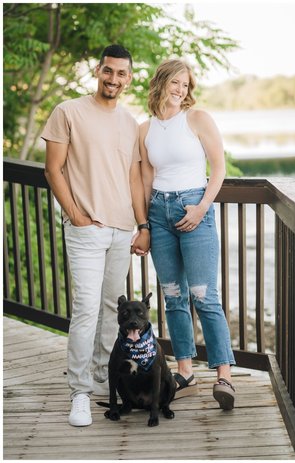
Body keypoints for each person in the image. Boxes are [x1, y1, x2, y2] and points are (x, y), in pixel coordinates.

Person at [41, 44, 149, 426]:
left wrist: (143, 225)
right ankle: (80, 392)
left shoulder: (130, 123)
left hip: (122, 231)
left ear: (129, 78)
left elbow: (135, 178)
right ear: (98, 71)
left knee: (111, 310)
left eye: (122, 74)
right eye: (108, 71)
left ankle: (106, 379)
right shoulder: (68, 111)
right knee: (85, 310)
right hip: (86, 230)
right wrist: (76, 215)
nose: (114, 80)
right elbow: (53, 170)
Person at [135, 59, 236, 409]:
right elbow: (147, 179)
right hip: (159, 214)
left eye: (185, 84)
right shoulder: (145, 128)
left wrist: (202, 207)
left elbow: (219, 168)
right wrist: (145, 225)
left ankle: (224, 376)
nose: (180, 90)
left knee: (204, 296)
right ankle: (185, 373)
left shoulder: (197, 119)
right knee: (174, 296)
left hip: (194, 206)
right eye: (175, 83)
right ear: (161, 83)